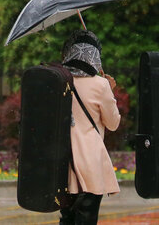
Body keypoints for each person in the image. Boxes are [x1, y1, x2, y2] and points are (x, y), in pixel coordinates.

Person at [58, 30, 121, 225]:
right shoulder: (100, 85)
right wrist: (109, 91)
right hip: (90, 163)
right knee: (87, 218)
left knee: (67, 219)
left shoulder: (60, 80)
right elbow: (113, 123)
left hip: (64, 161)